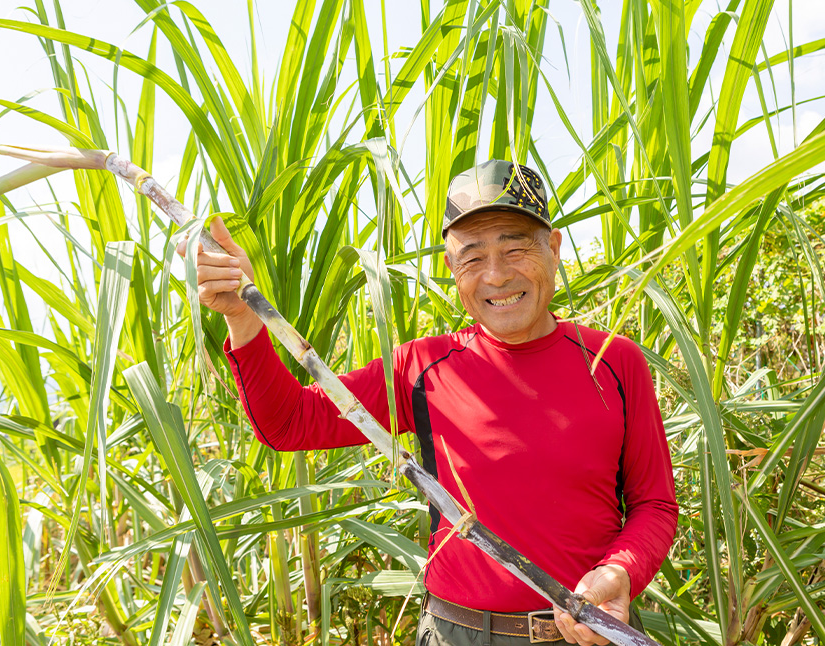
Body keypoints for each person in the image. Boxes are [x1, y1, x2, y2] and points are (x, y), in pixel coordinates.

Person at [181, 160, 678, 646]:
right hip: (453, 633)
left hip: (581, 636)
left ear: (553, 248)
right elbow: (290, 423)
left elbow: (653, 503)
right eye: (473, 256)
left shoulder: (613, 360)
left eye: (515, 248)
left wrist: (618, 573)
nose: (497, 276)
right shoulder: (421, 366)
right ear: (451, 268)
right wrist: (243, 319)